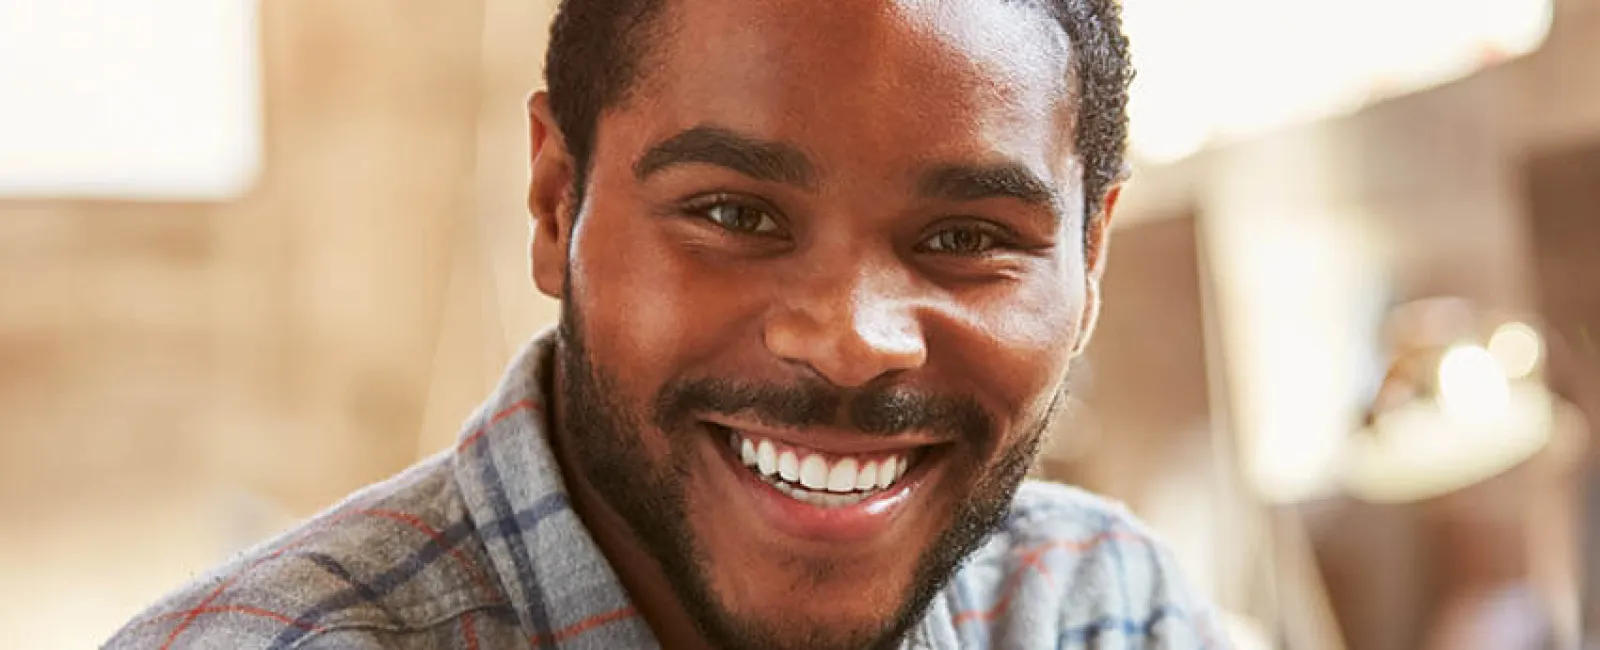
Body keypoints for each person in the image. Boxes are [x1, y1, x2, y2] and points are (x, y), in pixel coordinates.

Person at [106, 0, 1226, 647]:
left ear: (1089, 256)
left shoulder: (1098, 606)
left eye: (967, 237)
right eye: (733, 214)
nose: (851, 337)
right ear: (556, 203)